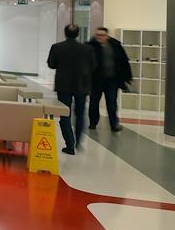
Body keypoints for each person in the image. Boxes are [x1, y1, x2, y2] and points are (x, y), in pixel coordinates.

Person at [47, 24, 95, 155]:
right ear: (78, 34)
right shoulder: (87, 49)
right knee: (80, 113)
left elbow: (51, 64)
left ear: (65, 33)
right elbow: (93, 66)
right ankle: (78, 141)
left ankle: (70, 144)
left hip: (63, 85)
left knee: (65, 114)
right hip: (82, 85)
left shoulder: (57, 47)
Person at [87, 27, 133, 132]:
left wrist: (126, 77)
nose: (99, 37)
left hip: (112, 80)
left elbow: (124, 61)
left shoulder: (115, 45)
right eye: (97, 35)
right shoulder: (90, 46)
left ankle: (114, 124)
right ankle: (93, 123)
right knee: (94, 103)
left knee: (112, 103)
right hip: (95, 80)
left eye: (102, 35)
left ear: (107, 36)